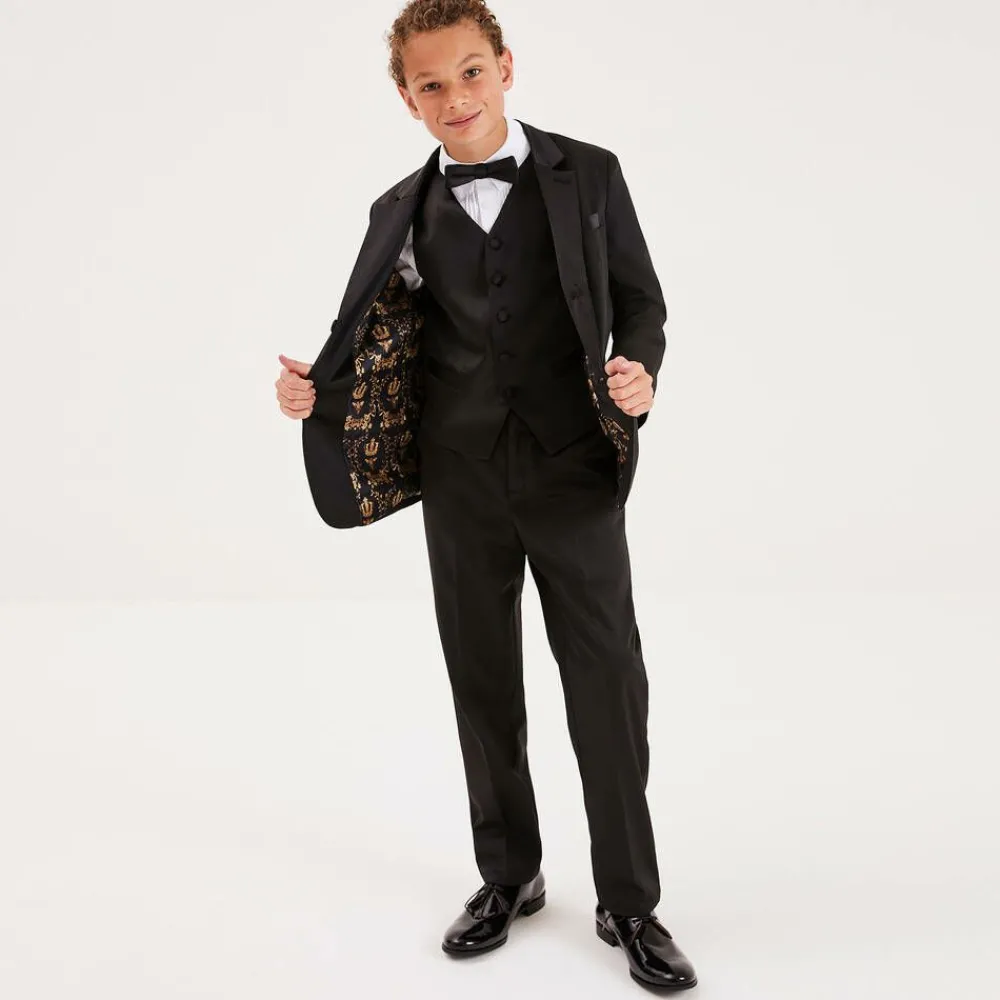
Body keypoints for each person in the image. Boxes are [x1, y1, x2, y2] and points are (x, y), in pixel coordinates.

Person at [275, 1, 697, 990]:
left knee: (607, 681)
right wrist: (312, 394)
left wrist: (638, 367)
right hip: (459, 475)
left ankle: (629, 901)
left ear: (505, 66)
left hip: (571, 467)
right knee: (482, 681)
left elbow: (641, 301)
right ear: (407, 98)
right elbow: (367, 337)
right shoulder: (398, 210)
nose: (455, 96)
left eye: (470, 72)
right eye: (431, 84)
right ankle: (509, 874)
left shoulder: (588, 173)